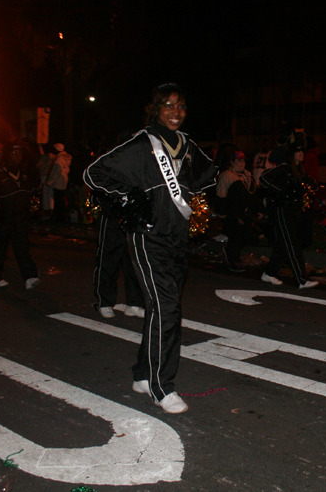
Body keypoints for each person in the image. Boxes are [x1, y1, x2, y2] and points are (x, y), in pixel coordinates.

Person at [83, 83, 217, 414]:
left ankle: (143, 375)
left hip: (178, 238)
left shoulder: (187, 146)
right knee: (168, 308)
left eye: (181, 105)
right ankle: (161, 386)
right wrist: (128, 197)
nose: (176, 111)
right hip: (147, 237)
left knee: (162, 309)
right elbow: (93, 173)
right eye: (168, 105)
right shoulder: (142, 144)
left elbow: (204, 178)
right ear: (155, 109)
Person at [0, 143, 41, 289]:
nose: (17, 156)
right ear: (7, 155)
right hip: (3, 218)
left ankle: (30, 276)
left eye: (20, 153)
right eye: (14, 153)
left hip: (21, 217)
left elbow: (35, 188)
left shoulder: (25, 174)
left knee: (22, 248)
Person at [259, 141, 319, 289]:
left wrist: (311, 188)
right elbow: (264, 179)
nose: (301, 154)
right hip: (282, 210)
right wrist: (281, 190)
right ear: (291, 155)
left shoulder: (300, 171)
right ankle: (301, 279)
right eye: (298, 152)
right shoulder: (284, 168)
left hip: (294, 211)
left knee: (284, 243)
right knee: (292, 243)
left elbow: (311, 185)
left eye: (302, 152)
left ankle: (269, 272)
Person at [90, 189, 147, 319]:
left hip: (132, 216)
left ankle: (134, 303)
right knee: (108, 259)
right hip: (112, 215)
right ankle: (104, 302)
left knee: (133, 261)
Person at [216, 150, 263, 271]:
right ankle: (233, 261)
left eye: (243, 161)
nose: (241, 164)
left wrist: (258, 209)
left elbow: (253, 194)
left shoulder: (247, 175)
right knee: (235, 237)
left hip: (245, 212)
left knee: (246, 235)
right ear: (232, 162)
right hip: (233, 213)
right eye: (239, 161)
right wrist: (223, 212)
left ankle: (231, 255)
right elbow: (221, 195)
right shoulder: (227, 175)